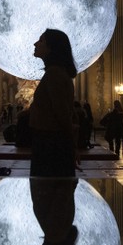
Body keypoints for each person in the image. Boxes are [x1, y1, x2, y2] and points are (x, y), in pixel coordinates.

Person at [28, 29, 77, 177]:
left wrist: (72, 147)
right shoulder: (57, 72)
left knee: (47, 193)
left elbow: (62, 113)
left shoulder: (54, 74)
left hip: (50, 146)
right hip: (51, 143)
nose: (35, 43)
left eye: (41, 40)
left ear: (52, 48)